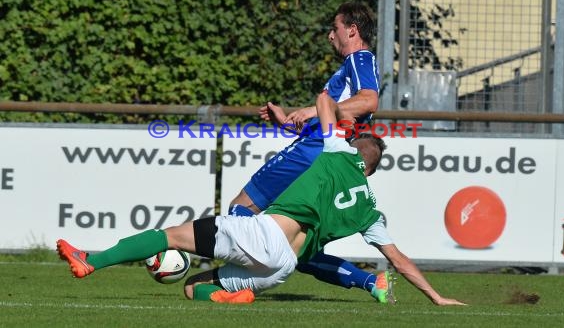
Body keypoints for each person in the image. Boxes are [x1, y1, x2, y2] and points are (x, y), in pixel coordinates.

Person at [57, 92, 466, 307]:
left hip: (262, 235)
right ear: (372, 170)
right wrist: (436, 296)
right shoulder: (370, 211)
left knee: (170, 236)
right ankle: (235, 295)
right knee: (192, 290)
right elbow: (399, 261)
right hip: (283, 268)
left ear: (354, 146)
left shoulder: (339, 151)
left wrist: (336, 117)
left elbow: (324, 99)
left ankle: (90, 260)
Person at [227, 1, 387, 301]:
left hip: (310, 154)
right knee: (298, 248)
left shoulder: (359, 59)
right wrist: (287, 121)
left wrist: (312, 109)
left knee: (240, 210)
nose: (330, 35)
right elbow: (334, 122)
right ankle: (371, 282)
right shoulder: (350, 68)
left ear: (352, 30)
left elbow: (369, 100)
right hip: (320, 154)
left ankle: (235, 282)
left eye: (335, 28)